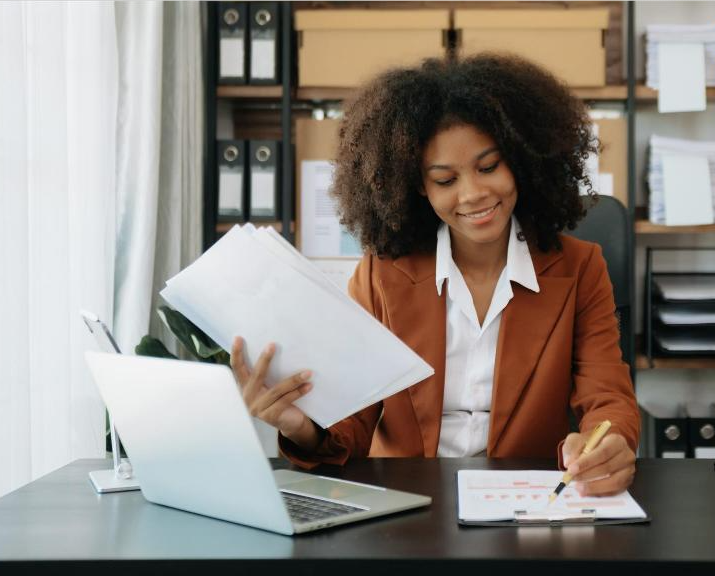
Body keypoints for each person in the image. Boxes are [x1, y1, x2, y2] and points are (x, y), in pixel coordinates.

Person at [232, 54, 640, 497]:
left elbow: (607, 395)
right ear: (417, 187)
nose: (473, 194)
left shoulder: (580, 267)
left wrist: (610, 440)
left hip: (528, 501)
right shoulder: (381, 274)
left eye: (489, 167)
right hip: (411, 505)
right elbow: (353, 421)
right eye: (445, 180)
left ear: (522, 160)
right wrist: (302, 427)